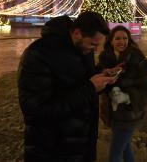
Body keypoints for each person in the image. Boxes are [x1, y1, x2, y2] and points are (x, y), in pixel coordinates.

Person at [18, 11, 116, 162]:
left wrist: (101, 75)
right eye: (93, 44)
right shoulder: (38, 54)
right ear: (77, 33)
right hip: (51, 150)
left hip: (81, 146)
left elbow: (80, 81)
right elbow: (35, 112)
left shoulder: (83, 48)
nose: (95, 50)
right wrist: (90, 88)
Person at [97, 25, 147, 162]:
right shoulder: (106, 58)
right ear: (111, 40)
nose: (121, 42)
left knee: (115, 155)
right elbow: (98, 81)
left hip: (129, 114)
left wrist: (128, 97)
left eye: (125, 38)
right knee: (126, 147)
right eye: (117, 38)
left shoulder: (137, 58)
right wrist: (104, 75)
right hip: (113, 112)